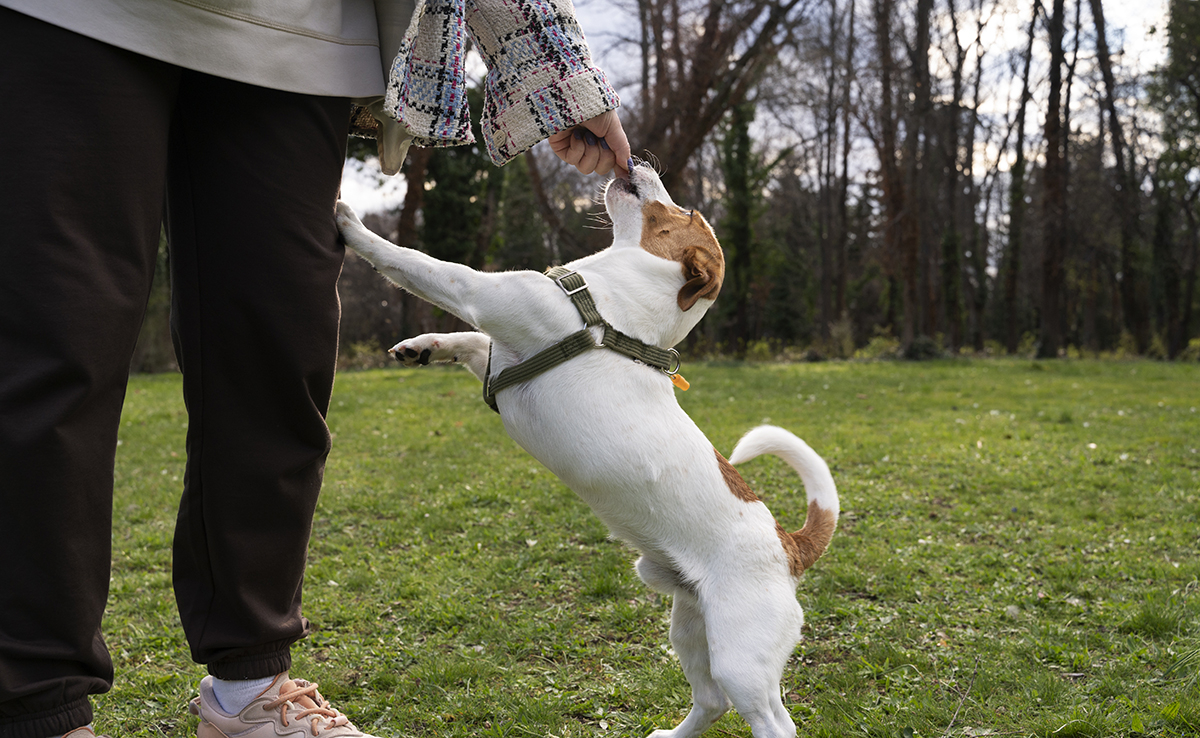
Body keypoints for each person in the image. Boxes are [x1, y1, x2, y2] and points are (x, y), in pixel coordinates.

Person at [0, 0, 632, 736]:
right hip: (76, 16)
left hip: (298, 38)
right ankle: (34, 706)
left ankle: (250, 694)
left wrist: (554, 74)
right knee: (58, 346)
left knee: (279, 359)